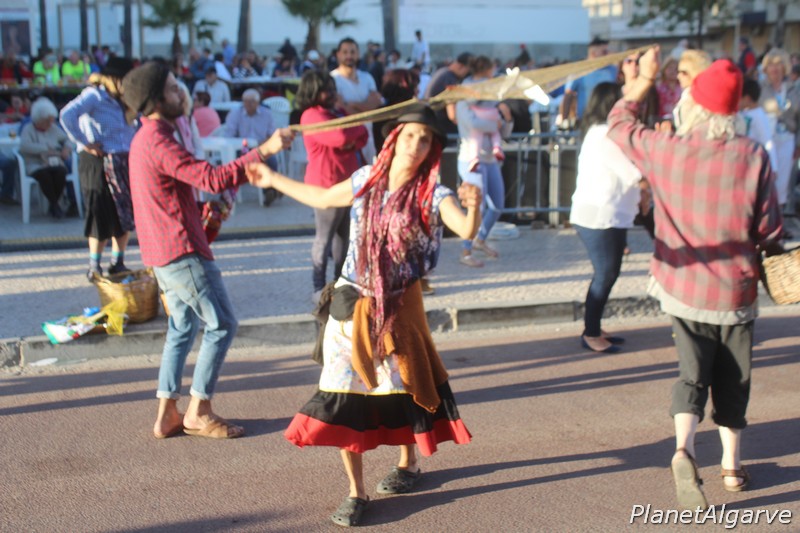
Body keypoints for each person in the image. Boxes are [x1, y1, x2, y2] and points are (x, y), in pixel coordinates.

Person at [246, 103, 479, 527]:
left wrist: (474, 204)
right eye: (409, 135)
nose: (415, 144)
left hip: (397, 307)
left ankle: (408, 463)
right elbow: (321, 197)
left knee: (402, 390)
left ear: (432, 149)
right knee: (344, 395)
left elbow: (464, 229)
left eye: (425, 139)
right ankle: (356, 492)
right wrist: (272, 178)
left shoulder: (433, 193)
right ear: (394, 138)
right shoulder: (365, 178)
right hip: (350, 302)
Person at [607, 48, 784, 511]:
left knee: (691, 373)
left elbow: (618, 123)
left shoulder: (668, 149)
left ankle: (683, 449)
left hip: (682, 286)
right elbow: (770, 229)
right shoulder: (752, 155)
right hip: (736, 289)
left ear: (694, 105)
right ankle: (731, 467)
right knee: (734, 377)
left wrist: (643, 80)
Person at [120, 61, 293, 440]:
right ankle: (198, 410)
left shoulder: (147, 137)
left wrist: (205, 208)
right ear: (154, 100)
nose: (180, 93)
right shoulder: (158, 140)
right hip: (180, 249)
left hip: (163, 250)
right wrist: (265, 149)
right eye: (171, 88)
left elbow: (175, 192)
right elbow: (210, 178)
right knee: (222, 323)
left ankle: (168, 413)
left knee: (182, 327)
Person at [569, 82, 642, 353]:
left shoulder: (600, 132)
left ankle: (594, 327)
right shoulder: (603, 135)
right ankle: (590, 332)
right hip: (599, 217)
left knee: (608, 273)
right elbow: (632, 173)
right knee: (605, 274)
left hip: (609, 215)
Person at [60, 57, 137, 282]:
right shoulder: (95, 95)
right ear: (116, 79)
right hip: (98, 160)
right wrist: (85, 142)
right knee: (99, 211)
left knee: (123, 212)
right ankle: (94, 264)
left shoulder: (123, 100)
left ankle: (117, 261)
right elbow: (67, 115)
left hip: (123, 159)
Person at [297, 70, 368, 301]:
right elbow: (340, 137)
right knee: (324, 238)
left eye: (332, 88)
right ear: (313, 92)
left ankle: (340, 282)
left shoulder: (336, 112)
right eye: (326, 89)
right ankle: (318, 286)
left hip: (346, 184)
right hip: (325, 187)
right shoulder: (311, 115)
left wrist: (349, 135)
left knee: (343, 238)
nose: (332, 93)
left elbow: (362, 133)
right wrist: (348, 136)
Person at [454, 55, 513, 268]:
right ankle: (466, 250)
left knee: (497, 205)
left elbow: (504, 132)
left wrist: (507, 119)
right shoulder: (464, 97)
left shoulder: (494, 102)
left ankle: (480, 239)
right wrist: (495, 122)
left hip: (490, 159)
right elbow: (472, 124)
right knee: (476, 207)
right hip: (471, 159)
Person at [18, 97, 77, 219]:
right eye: (47, 121)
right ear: (39, 119)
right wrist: (45, 149)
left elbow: (69, 140)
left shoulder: (53, 128)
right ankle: (55, 205)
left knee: (61, 172)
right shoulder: (28, 129)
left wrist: (67, 148)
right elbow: (24, 146)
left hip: (54, 162)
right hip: (35, 164)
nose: (50, 124)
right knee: (45, 175)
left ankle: (53, 205)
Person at [758, 48, 800, 215]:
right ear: (766, 68)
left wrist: (798, 144)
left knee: (783, 183)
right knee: (764, 181)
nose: (775, 68)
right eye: (771, 64)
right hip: (765, 141)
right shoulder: (760, 89)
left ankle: (778, 218)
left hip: (787, 140)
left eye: (779, 64)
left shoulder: (793, 90)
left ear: (785, 67)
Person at [331, 38, 383, 163]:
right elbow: (341, 109)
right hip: (347, 139)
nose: (349, 56)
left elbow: (376, 103)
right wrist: (365, 107)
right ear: (338, 54)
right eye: (345, 52)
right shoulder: (332, 79)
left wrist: (352, 104)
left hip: (369, 137)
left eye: (352, 52)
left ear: (358, 54)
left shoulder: (367, 78)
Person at [560, 36, 617, 123]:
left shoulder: (613, 70)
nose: (607, 55)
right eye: (604, 52)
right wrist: (564, 120)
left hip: (608, 120)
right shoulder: (579, 71)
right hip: (585, 121)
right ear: (593, 53)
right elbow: (568, 95)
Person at [424, 52, 472, 137]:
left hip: (431, 119)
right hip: (440, 124)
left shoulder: (443, 72)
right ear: (461, 66)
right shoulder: (450, 79)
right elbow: (452, 115)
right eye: (468, 71)